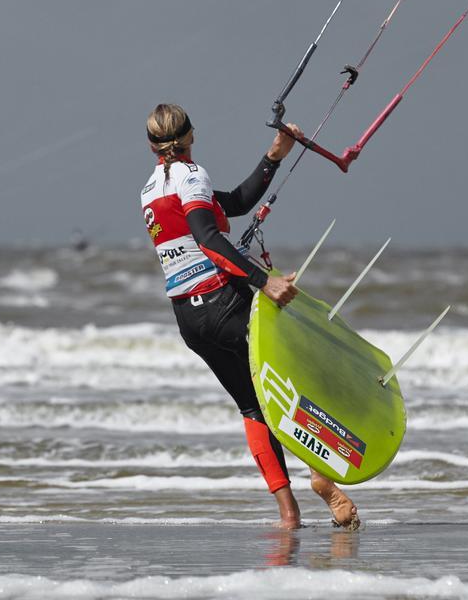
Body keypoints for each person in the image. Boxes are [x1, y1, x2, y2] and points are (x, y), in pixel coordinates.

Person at [140, 103, 359, 530]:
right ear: (191, 135)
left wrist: (274, 155)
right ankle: (319, 474)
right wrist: (265, 282)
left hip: (190, 320)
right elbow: (206, 238)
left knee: (253, 405)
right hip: (221, 304)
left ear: (152, 146)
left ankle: (288, 515)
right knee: (296, 376)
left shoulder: (149, 190)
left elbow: (236, 203)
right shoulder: (192, 177)